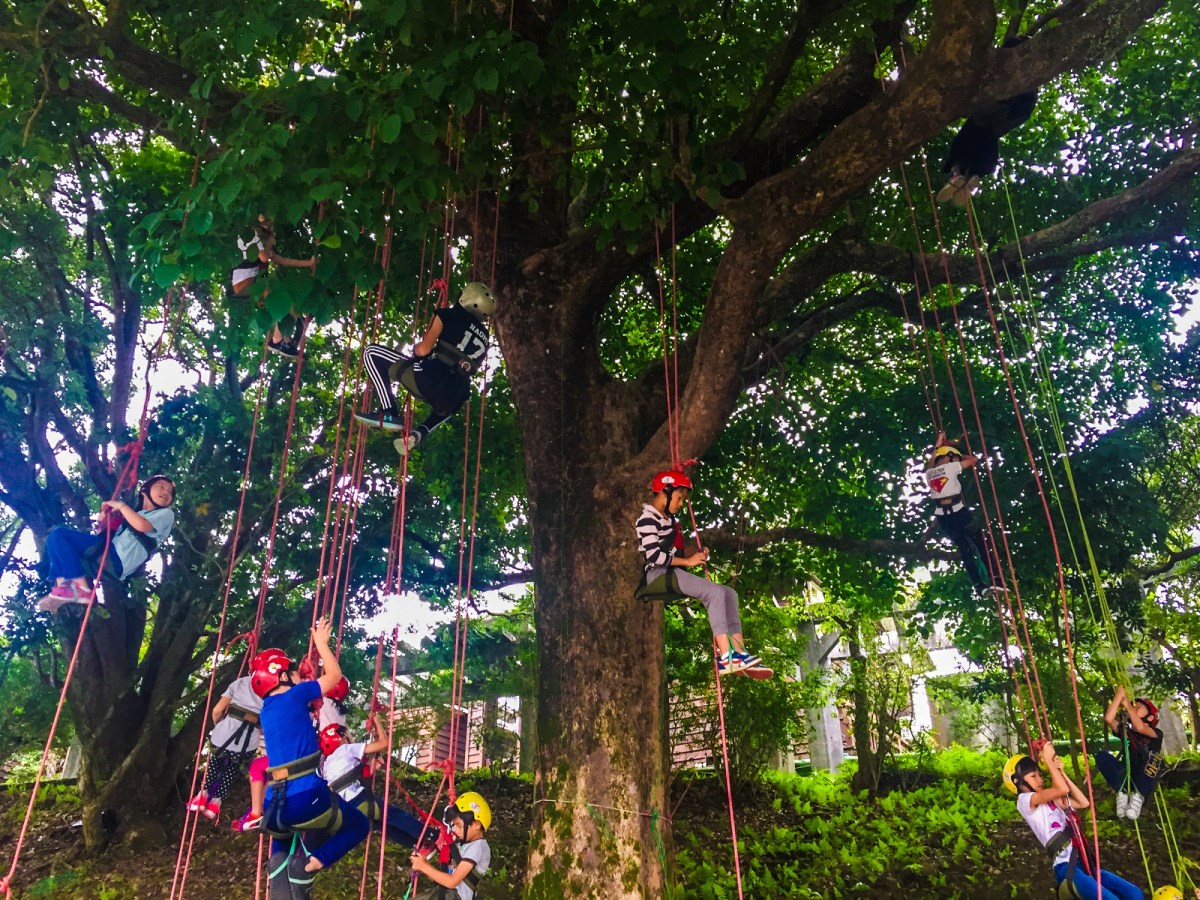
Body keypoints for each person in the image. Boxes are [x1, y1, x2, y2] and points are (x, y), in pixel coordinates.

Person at [253, 619, 369, 900]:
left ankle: (277, 866)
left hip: (274, 807)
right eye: (292, 671)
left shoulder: (266, 711)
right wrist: (321, 644)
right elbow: (335, 677)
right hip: (306, 800)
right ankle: (312, 864)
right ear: (281, 676)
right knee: (359, 824)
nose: (297, 675)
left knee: (285, 828)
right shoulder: (295, 696)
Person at [634, 470, 770, 677]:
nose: (680, 504)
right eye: (679, 498)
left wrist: (695, 553)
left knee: (728, 594)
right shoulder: (647, 519)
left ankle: (739, 651)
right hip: (658, 574)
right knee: (714, 593)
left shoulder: (669, 522)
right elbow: (654, 556)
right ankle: (726, 657)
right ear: (665, 491)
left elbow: (677, 553)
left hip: (672, 570)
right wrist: (688, 561)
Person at [354, 283, 495, 454]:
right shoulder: (486, 337)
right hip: (456, 392)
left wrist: (418, 352)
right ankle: (421, 432)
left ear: (466, 296)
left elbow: (423, 350)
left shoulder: (450, 314)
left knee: (371, 352)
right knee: (450, 404)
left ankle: (389, 411)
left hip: (429, 378)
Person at [1004, 740, 1143, 900]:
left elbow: (1083, 802)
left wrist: (1061, 772)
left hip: (1085, 864)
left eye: (1040, 775)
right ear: (1017, 782)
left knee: (1135, 894)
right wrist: (1048, 761)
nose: (1040, 779)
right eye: (1033, 776)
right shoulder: (1024, 801)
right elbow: (1061, 789)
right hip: (1066, 869)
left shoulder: (1053, 801)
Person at [37, 475, 176, 614]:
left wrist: (121, 506)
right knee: (54, 538)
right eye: (162, 486)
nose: (166, 493)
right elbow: (108, 533)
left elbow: (142, 525)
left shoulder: (166, 514)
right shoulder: (132, 516)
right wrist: (105, 520)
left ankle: (80, 588)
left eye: (170, 492)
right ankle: (64, 587)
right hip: (106, 556)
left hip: (116, 560)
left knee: (60, 535)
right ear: (145, 490)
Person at [936, 37, 1039, 207]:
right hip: (1015, 111)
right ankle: (972, 177)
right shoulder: (1032, 71)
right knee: (987, 137)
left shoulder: (1005, 62)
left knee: (970, 134)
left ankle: (957, 174)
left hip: (1004, 105)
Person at [318, 717, 436, 848]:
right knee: (395, 815)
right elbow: (384, 743)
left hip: (345, 809)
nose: (351, 736)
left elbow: (360, 775)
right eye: (348, 734)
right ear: (342, 737)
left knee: (385, 826)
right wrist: (377, 721)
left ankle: (419, 845)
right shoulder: (346, 749)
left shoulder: (326, 765)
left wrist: (373, 762)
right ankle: (432, 836)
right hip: (358, 799)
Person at [924, 432, 1000, 597]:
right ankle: (995, 579)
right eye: (953, 458)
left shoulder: (929, 473)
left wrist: (939, 446)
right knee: (980, 543)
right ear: (947, 458)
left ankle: (979, 585)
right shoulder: (950, 467)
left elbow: (930, 462)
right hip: (958, 511)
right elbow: (973, 460)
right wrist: (958, 451)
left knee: (965, 549)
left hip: (943, 516)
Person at [230, 216, 316, 359]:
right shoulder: (249, 235)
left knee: (291, 304)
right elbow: (264, 257)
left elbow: (278, 259)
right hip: (246, 284)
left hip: (253, 282)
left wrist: (308, 263)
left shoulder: (261, 239)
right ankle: (277, 340)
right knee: (285, 300)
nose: (270, 228)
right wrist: (269, 240)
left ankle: (281, 340)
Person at [188, 675, 263, 823]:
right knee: (231, 770)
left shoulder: (241, 682)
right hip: (247, 744)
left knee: (214, 766)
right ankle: (215, 803)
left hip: (223, 735)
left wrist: (219, 727)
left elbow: (217, 710)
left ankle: (202, 796)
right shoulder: (273, 691)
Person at [1096, 686, 1166, 821]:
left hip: (1145, 775)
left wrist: (1128, 705)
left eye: (1139, 707)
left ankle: (1138, 797)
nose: (1135, 707)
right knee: (1102, 756)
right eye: (1135, 706)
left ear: (1150, 717)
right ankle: (1122, 792)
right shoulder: (1126, 730)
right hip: (1128, 773)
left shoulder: (1156, 733)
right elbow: (1109, 719)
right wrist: (1118, 696)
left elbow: (1140, 727)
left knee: (1155, 760)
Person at [409, 793, 492, 900]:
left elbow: (452, 882)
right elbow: (446, 877)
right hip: (446, 892)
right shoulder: (464, 843)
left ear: (476, 825)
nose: (455, 830)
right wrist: (424, 864)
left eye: (459, 826)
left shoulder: (478, 847)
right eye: (454, 825)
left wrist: (424, 867)